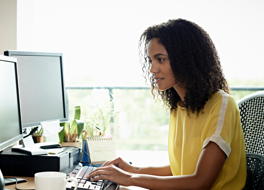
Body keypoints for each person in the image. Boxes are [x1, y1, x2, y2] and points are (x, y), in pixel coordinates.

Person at [87, 18, 246, 190]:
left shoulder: (222, 105)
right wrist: (133, 169)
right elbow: (179, 172)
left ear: (185, 60)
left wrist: (131, 178)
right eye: (151, 60)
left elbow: (200, 182)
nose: (152, 69)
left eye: (160, 59)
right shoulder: (179, 107)